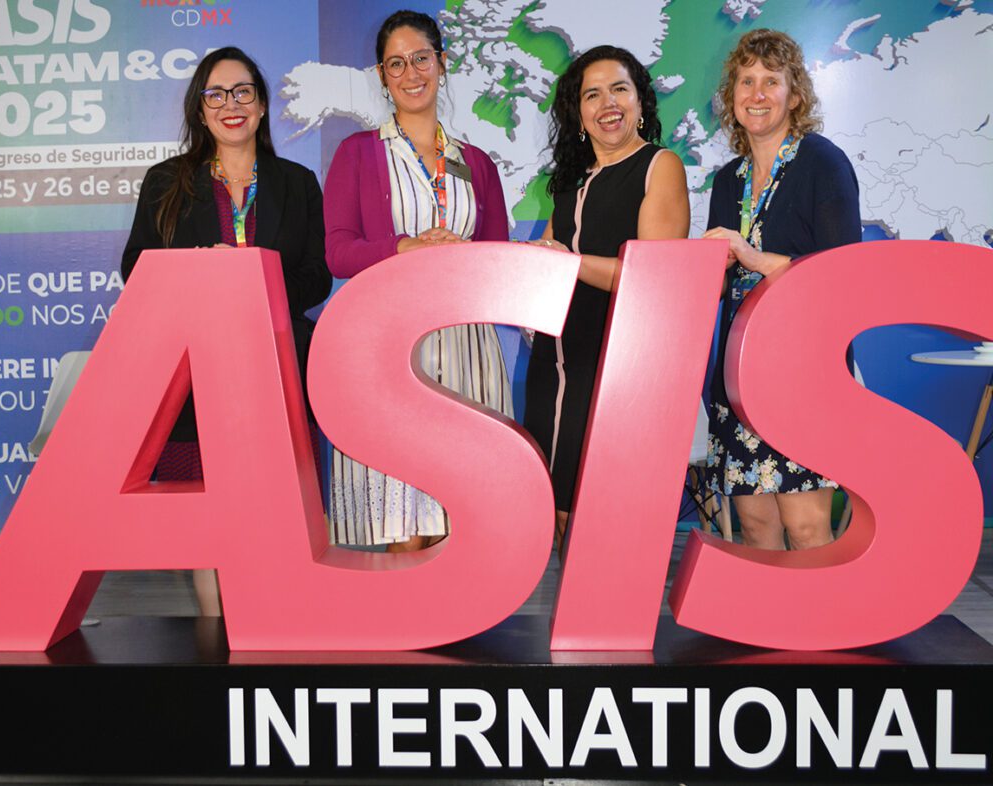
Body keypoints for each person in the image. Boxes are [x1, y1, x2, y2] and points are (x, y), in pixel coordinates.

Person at [122, 47, 332, 612]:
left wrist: (252, 278)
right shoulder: (167, 182)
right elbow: (136, 268)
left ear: (261, 106)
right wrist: (203, 273)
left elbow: (317, 276)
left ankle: (283, 629)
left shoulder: (297, 182)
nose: (230, 105)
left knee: (282, 514)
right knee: (208, 523)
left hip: (278, 369)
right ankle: (217, 637)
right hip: (196, 373)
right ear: (200, 110)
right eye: (215, 94)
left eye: (242, 92)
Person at [323, 10, 512, 552]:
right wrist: (405, 247)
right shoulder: (358, 153)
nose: (411, 73)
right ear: (382, 76)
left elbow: (497, 261)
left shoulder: (476, 163)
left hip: (467, 350)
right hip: (390, 349)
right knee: (404, 524)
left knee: (461, 526)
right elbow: (338, 253)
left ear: (442, 63)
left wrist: (464, 255)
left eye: (421, 58)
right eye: (396, 64)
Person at [523, 45, 690, 549]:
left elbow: (653, 281)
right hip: (554, 361)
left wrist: (565, 262)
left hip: (614, 362)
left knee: (592, 515)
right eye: (592, 95)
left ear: (640, 100)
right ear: (578, 114)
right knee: (550, 505)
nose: (608, 103)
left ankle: (607, 603)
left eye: (619, 88)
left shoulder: (659, 165)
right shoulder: (568, 181)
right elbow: (548, 261)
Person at [702, 29, 861, 550]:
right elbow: (721, 285)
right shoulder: (728, 180)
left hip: (805, 371)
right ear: (731, 97)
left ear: (795, 96)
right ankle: (768, 610)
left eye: (771, 81)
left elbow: (842, 275)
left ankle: (820, 610)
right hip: (740, 373)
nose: (757, 93)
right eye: (746, 81)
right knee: (756, 525)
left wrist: (752, 257)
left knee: (806, 525)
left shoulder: (822, 162)